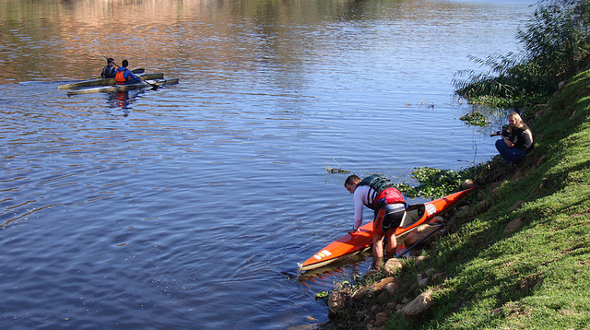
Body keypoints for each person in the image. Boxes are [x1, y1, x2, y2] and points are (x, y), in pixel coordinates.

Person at [344, 174, 407, 270]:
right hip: (401, 206)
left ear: (354, 183)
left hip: (387, 208)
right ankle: (392, 262)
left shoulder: (358, 191)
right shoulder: (373, 185)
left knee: (377, 239)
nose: (350, 192)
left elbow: (358, 217)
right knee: (391, 235)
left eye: (349, 189)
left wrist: (355, 229)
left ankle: (377, 268)